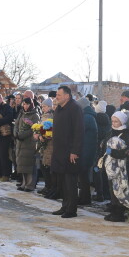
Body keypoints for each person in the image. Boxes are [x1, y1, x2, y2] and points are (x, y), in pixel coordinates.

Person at [51, 85, 83, 218]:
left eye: (59, 95)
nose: (56, 97)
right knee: (63, 182)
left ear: (67, 96)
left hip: (70, 152)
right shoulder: (59, 108)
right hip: (59, 151)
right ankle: (64, 206)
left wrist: (75, 151)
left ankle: (71, 209)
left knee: (70, 182)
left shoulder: (75, 108)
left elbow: (79, 131)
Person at [103, 110, 129, 222]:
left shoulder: (126, 133)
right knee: (112, 188)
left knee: (120, 187)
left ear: (122, 122)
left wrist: (113, 153)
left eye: (116, 121)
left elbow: (126, 151)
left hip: (120, 166)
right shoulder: (111, 131)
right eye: (113, 121)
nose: (114, 123)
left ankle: (119, 212)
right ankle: (114, 210)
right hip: (110, 165)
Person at [14, 98, 40, 191]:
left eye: (27, 104)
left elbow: (34, 128)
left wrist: (22, 135)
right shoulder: (21, 113)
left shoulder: (34, 115)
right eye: (24, 104)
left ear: (31, 104)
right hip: (20, 143)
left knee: (29, 164)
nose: (25, 106)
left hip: (29, 142)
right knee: (22, 164)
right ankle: (24, 183)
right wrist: (16, 133)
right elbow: (16, 124)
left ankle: (30, 184)